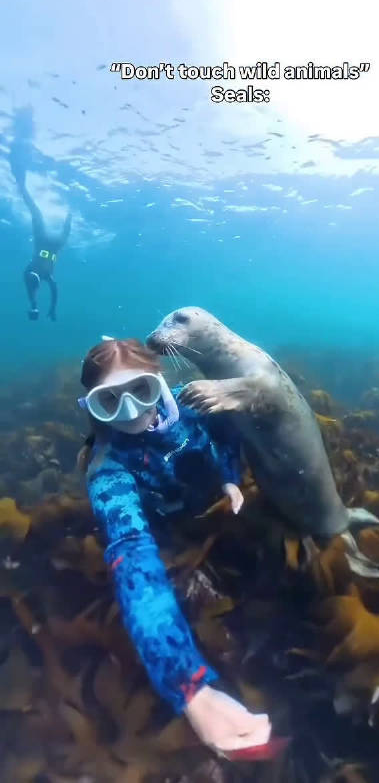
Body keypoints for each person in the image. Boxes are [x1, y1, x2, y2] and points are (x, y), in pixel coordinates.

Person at [77, 338, 272, 758]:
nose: (131, 410)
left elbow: (231, 433)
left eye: (140, 390)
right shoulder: (108, 471)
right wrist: (190, 688)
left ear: (161, 381)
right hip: (171, 539)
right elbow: (133, 560)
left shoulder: (196, 403)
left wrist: (230, 476)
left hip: (224, 514)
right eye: (110, 400)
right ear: (92, 407)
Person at [9, 117, 72, 321]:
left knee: (37, 213)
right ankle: (69, 209)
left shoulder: (39, 275)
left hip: (49, 244)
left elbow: (52, 289)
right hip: (50, 244)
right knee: (37, 213)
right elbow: (54, 290)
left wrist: (37, 306)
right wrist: (47, 308)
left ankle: (22, 184)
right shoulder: (44, 276)